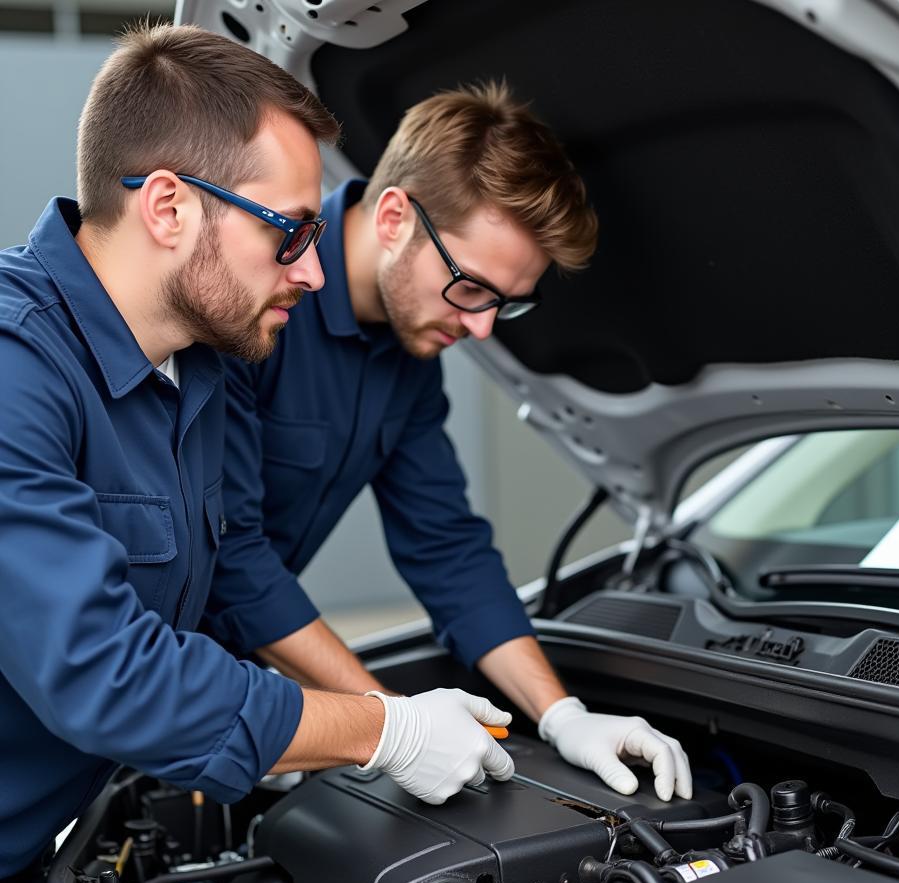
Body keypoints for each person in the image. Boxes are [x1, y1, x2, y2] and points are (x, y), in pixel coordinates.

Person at [0, 28, 516, 883]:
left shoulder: (195, 373)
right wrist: (381, 727)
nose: (314, 271)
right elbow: (109, 675)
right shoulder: (15, 369)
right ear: (166, 206)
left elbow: (229, 572)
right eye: (287, 232)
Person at [203, 83, 693, 803]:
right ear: (395, 216)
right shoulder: (263, 304)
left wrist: (563, 717)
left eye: (508, 302)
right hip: (124, 669)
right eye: (472, 287)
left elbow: (447, 549)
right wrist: (390, 724)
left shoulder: (411, 359)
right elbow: (231, 557)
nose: (485, 328)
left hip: (227, 677)